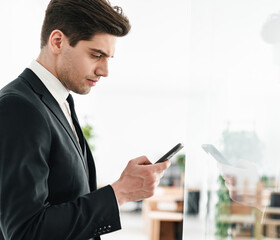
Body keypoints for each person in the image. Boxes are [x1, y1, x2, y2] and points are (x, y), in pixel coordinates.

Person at [0, 1, 170, 240]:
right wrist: (118, 193)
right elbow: (25, 231)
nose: (105, 70)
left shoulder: (60, 101)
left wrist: (122, 187)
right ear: (57, 41)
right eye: (96, 55)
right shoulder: (19, 107)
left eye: (108, 57)